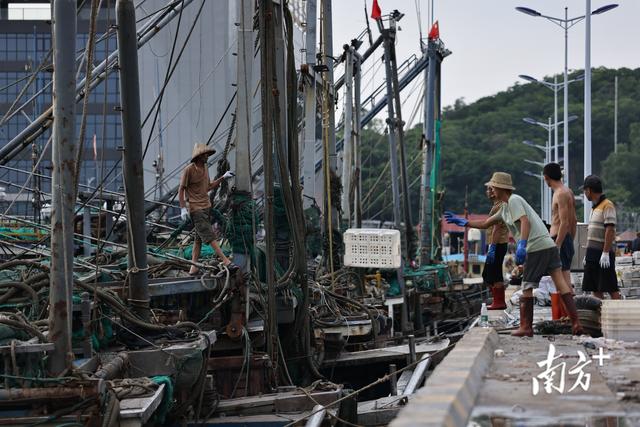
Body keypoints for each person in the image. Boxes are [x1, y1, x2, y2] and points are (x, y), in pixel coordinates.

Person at [445, 172, 583, 337]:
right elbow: (486, 223)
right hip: (548, 245)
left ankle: (526, 327)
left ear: (501, 188)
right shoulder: (504, 207)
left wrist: (522, 244)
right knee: (561, 284)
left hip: (536, 246)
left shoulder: (514, 200)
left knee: (527, 286)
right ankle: (576, 323)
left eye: (494, 188)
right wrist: (465, 223)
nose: (492, 191)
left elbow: (524, 221)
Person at [179, 143, 235, 275]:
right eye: (205, 155)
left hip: (206, 207)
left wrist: (223, 177)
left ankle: (193, 267)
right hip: (196, 209)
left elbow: (209, 187)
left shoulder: (205, 168)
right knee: (210, 236)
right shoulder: (189, 170)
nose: (207, 157)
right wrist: (182, 208)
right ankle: (226, 260)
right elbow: (181, 189)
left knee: (198, 239)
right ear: (199, 156)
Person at [581, 175, 621, 300]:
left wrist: (605, 252)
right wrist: (587, 254)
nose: (584, 193)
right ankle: (599, 317)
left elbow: (610, 229)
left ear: (589, 190)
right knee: (594, 288)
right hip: (592, 254)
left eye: (585, 190)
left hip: (603, 255)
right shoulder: (594, 207)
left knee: (610, 287)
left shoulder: (607, 205)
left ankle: (619, 314)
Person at [543, 163, 577, 290]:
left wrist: (558, 245)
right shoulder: (568, 191)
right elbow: (574, 220)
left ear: (546, 177)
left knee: (562, 278)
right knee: (562, 276)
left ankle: (568, 308)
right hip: (565, 238)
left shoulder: (560, 194)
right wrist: (570, 239)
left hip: (559, 239)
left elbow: (565, 222)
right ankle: (566, 308)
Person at [482, 185, 509, 310]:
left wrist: (492, 247)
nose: (488, 192)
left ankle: (499, 302)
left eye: (490, 189)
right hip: (496, 243)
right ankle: (498, 301)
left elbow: (497, 229)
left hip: (498, 243)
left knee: (493, 274)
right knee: (491, 273)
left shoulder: (500, 206)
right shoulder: (496, 205)